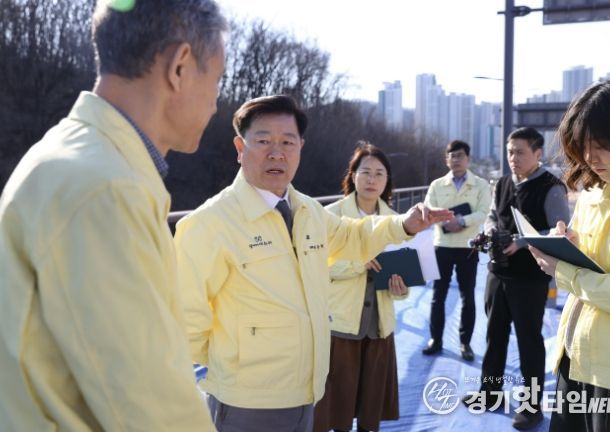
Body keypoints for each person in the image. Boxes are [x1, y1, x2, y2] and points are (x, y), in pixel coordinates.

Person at [0, 1, 226, 430]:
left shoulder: (76, 157)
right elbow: (152, 409)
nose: (216, 103)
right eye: (217, 79)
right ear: (179, 67)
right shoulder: (107, 190)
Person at [174, 95, 453, 432]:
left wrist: (404, 224)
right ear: (239, 147)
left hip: (308, 393)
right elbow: (184, 319)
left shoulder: (308, 211)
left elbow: (351, 237)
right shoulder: (209, 224)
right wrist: (234, 364)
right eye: (263, 141)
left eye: (287, 142)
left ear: (300, 148)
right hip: (248, 403)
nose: (276, 152)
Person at [530, 79, 610, 432]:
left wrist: (565, 272)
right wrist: (566, 245)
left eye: (600, 145)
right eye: (582, 145)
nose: (589, 158)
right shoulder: (593, 194)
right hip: (574, 359)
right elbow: (592, 262)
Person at [464, 127, 569, 430]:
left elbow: (560, 230)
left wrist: (521, 242)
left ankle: (531, 407)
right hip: (498, 272)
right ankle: (490, 393)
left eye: (520, 152)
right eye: (510, 152)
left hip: (530, 278)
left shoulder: (552, 188)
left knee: (529, 341)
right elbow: (493, 215)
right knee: (494, 334)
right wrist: (489, 230)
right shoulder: (503, 183)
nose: (513, 158)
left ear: (538, 153)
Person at [313, 142, 407, 432]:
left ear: (387, 180)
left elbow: (403, 273)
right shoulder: (330, 215)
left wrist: (400, 289)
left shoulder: (396, 220)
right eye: (365, 172)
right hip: (340, 322)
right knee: (335, 403)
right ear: (352, 175)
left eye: (379, 174)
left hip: (378, 324)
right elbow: (317, 266)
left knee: (370, 402)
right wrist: (358, 262)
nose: (371, 179)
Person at [422, 140, 491, 361]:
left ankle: (465, 343)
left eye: (460, 155)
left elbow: (484, 212)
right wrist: (445, 222)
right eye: (452, 156)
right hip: (441, 246)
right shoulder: (436, 185)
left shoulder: (480, 185)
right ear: (447, 160)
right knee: (437, 296)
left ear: (468, 159)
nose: (456, 160)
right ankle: (435, 340)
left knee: (467, 296)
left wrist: (461, 221)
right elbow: (428, 209)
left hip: (467, 247)